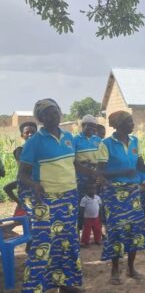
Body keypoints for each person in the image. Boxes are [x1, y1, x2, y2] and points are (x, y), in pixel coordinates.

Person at [18, 98, 83, 292]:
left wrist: (93, 173)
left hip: (70, 197)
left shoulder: (69, 137)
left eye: (54, 111)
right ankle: (35, 287)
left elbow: (72, 163)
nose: (52, 116)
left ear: (60, 112)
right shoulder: (34, 142)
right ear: (40, 118)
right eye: (46, 113)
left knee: (68, 241)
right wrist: (34, 184)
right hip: (45, 200)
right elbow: (22, 174)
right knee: (43, 244)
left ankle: (66, 283)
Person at [97, 110, 145, 285]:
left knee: (134, 230)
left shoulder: (135, 141)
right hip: (114, 194)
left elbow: (139, 165)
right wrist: (122, 172)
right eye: (129, 122)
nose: (133, 124)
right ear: (119, 124)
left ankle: (131, 268)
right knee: (116, 231)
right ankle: (115, 271)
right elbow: (100, 172)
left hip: (132, 193)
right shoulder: (106, 144)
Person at [4, 121, 37, 217]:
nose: (30, 134)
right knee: (27, 217)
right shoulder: (19, 150)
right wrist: (19, 202)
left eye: (33, 132)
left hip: (39, 186)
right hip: (26, 186)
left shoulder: (41, 148)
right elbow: (26, 165)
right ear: (22, 135)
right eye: (27, 132)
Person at [73, 114, 102, 198]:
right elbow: (72, 159)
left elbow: (102, 157)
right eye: (90, 126)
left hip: (95, 174)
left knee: (95, 198)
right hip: (82, 176)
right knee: (83, 198)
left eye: (94, 127)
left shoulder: (98, 139)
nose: (92, 129)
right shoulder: (75, 140)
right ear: (83, 125)